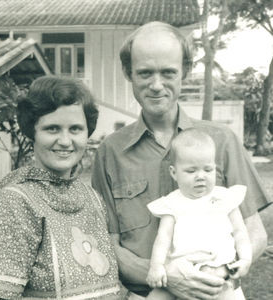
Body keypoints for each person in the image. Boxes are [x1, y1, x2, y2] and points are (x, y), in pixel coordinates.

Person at [91, 21, 271, 299]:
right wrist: (163, 275)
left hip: (217, 290)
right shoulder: (110, 152)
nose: (156, 85)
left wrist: (218, 272)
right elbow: (107, 245)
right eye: (145, 73)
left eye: (168, 73)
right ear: (128, 73)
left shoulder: (222, 140)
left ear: (185, 71)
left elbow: (254, 233)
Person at [0, 76, 127, 299]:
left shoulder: (92, 197)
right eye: (52, 129)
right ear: (32, 132)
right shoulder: (15, 201)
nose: (65, 141)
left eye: (75, 129)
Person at [145, 128, 252, 300]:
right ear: (174, 173)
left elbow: (240, 232)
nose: (200, 176)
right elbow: (163, 238)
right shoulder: (171, 203)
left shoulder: (225, 198)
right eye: (191, 171)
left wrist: (246, 258)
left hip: (220, 273)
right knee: (155, 297)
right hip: (182, 272)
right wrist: (156, 266)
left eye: (208, 170)